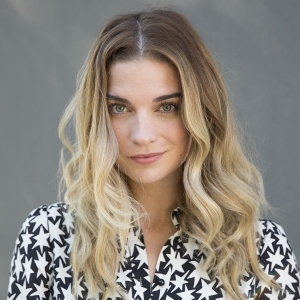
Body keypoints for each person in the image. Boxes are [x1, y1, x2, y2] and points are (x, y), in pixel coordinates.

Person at [7, 8, 300, 300]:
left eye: (167, 107)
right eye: (119, 108)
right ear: (97, 117)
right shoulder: (47, 237)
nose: (142, 135)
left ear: (201, 113)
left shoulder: (260, 250)